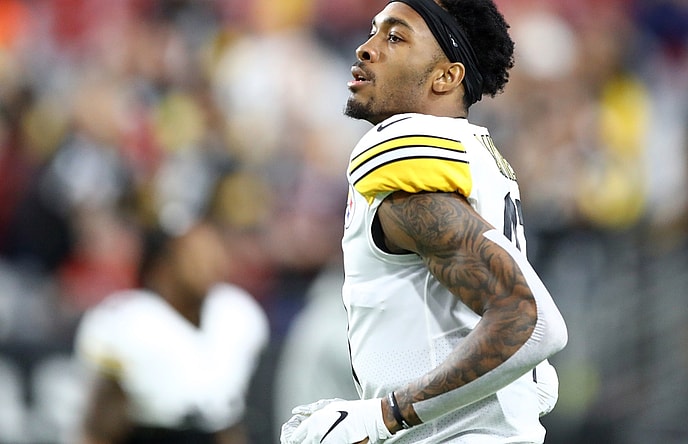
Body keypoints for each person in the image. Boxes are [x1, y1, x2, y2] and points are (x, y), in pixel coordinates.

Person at [280, 1, 568, 443]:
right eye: (374, 32)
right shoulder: (468, 154)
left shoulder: (407, 158)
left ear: (446, 77)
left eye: (395, 37)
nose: (365, 49)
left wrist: (384, 416)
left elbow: (526, 318)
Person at [74, 219, 269, 444]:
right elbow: (100, 427)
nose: (210, 261)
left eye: (213, 248)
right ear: (162, 264)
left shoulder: (235, 313)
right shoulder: (127, 321)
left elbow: (226, 420)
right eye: (195, 252)